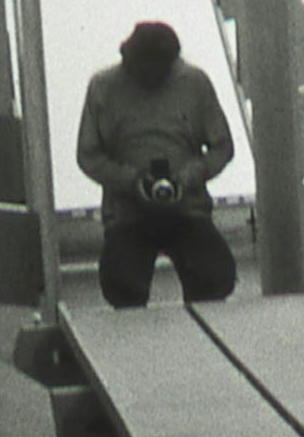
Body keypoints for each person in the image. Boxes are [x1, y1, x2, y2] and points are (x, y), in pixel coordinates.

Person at [75, 20, 238, 309]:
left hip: (187, 208)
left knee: (215, 278)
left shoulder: (195, 83)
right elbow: (88, 155)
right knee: (121, 286)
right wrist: (132, 181)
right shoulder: (103, 87)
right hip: (128, 214)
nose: (150, 76)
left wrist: (187, 177)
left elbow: (222, 146)